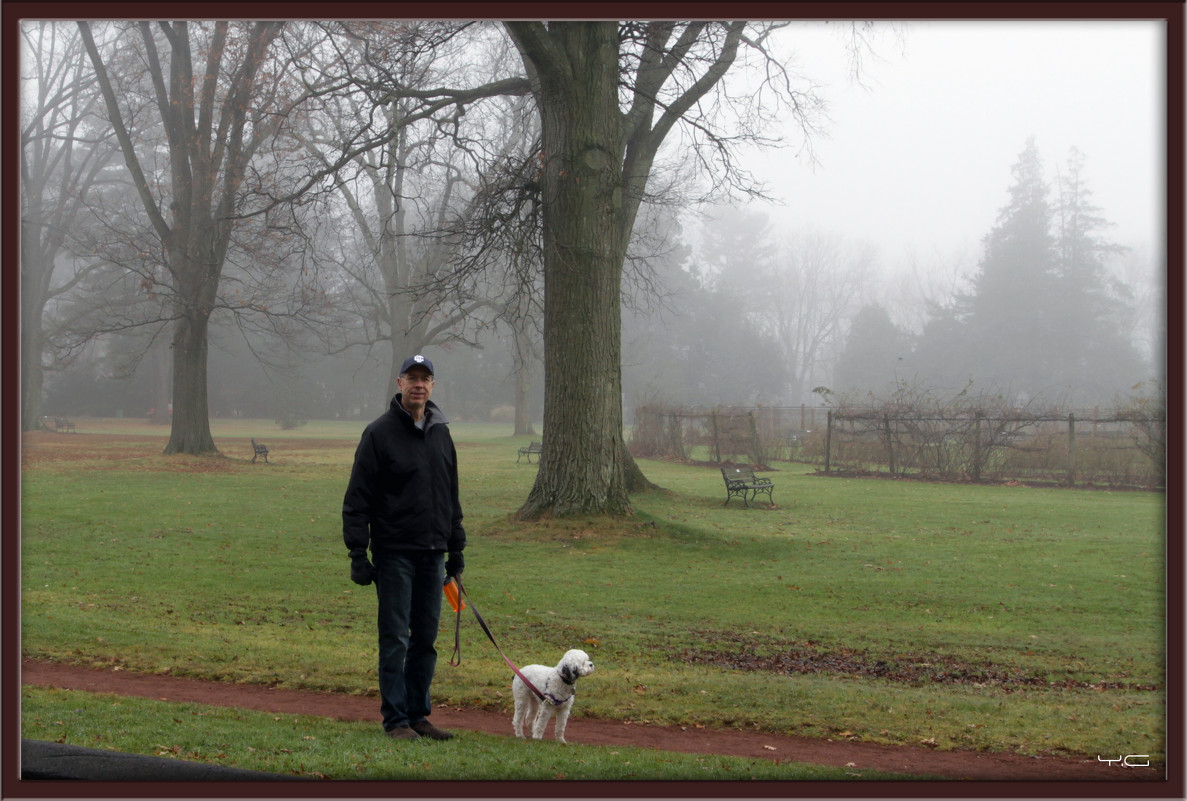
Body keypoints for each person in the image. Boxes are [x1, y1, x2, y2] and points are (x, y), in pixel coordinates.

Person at [342, 354, 466, 741]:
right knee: (395, 638)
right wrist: (358, 554)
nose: (419, 385)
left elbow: (451, 494)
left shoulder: (442, 434)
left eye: (425, 379)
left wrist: (456, 547)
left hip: (433, 554)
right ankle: (395, 720)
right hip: (394, 553)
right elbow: (357, 498)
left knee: (425, 639)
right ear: (399, 384)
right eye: (412, 378)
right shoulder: (378, 433)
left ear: (433, 386)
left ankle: (418, 714)